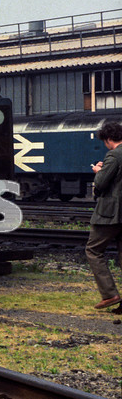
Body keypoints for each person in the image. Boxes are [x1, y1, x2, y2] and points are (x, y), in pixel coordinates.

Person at [86, 122, 122, 310]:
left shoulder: (114, 155)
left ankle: (109, 294)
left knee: (93, 250)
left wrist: (98, 171)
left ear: (108, 139)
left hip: (111, 214)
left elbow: (100, 183)